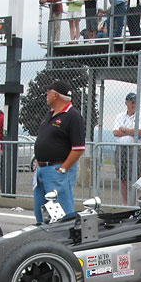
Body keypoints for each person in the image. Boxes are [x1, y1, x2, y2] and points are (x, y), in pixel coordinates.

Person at [33, 80, 85, 222]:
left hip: (56, 170)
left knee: (61, 214)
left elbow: (78, 148)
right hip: (42, 170)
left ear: (56, 96)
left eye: (48, 92)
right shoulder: (50, 114)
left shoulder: (73, 116)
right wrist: (39, 161)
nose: (46, 95)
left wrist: (63, 169)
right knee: (41, 213)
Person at [113, 92, 141, 205]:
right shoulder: (120, 116)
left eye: (136, 102)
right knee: (123, 176)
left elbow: (140, 133)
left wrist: (124, 130)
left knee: (136, 175)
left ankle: (136, 201)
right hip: (121, 148)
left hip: (134, 148)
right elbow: (115, 132)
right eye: (132, 102)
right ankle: (125, 202)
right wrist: (131, 132)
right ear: (126, 103)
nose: (134, 105)